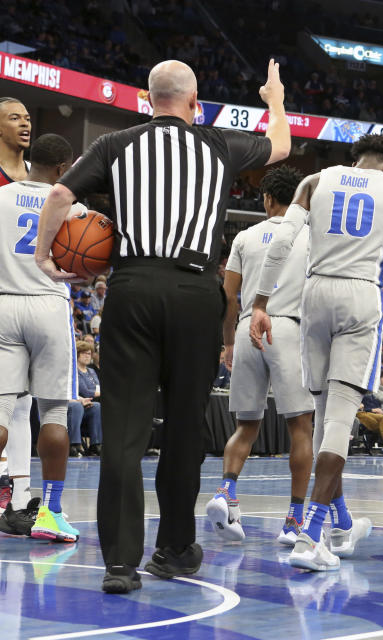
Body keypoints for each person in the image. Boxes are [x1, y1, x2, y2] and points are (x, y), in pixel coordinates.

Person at [34, 59, 291, 594]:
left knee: (125, 432)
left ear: (149, 101)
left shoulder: (115, 144)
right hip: (198, 292)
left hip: (132, 288)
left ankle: (120, 564)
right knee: (182, 429)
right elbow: (282, 147)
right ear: (195, 102)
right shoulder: (217, 143)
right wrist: (273, 99)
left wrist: (43, 258)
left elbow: (59, 196)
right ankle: (174, 550)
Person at [249, 133, 383, 572]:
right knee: (340, 420)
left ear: (355, 159)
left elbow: (283, 244)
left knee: (325, 417)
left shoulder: (315, 180)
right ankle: (311, 534)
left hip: (315, 292)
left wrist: (262, 302)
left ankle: (342, 524)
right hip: (361, 292)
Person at [204, 165, 316, 547]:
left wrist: (230, 343)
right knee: (301, 429)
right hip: (288, 327)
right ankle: (293, 521)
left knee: (245, 426)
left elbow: (229, 297)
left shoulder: (246, 237)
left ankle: (226, 492)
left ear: (267, 199)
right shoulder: (309, 234)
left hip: (247, 327)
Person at [0, 133, 85, 545]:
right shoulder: (73, 205)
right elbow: (92, 262)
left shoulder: (1, 197)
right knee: (53, 413)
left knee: (0, 412)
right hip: (49, 305)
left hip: (4, 304)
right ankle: (50, 512)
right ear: (64, 168)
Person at [0, 97, 32, 510]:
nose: (25, 124)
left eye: (27, 118)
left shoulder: (39, 177)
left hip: (30, 296)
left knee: (24, 404)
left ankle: (21, 499)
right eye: (14, 118)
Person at [67, 342, 103, 456]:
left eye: (89, 353)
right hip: (72, 403)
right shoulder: (73, 370)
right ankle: (74, 444)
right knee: (77, 406)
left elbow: (97, 387)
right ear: (77, 354)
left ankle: (96, 445)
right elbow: (86, 391)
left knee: (97, 407)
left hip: (85, 402)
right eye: (84, 353)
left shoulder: (91, 371)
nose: (88, 356)